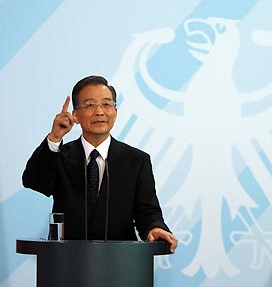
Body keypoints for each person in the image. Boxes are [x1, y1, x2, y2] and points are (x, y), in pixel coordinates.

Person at [23, 75, 178, 252]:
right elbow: (33, 181)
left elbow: (148, 212)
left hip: (121, 262)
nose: (99, 112)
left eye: (106, 104)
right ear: (75, 115)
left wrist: (155, 228)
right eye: (90, 105)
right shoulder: (60, 155)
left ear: (115, 112)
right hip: (68, 262)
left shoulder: (136, 160)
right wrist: (55, 137)